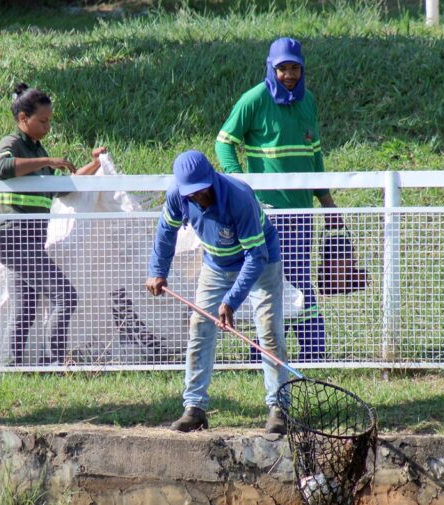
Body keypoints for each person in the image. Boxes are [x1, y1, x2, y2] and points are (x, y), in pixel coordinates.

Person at [216, 37, 351, 362]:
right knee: (283, 279)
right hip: (267, 213)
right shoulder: (255, 99)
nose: (289, 75)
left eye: (294, 68)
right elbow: (223, 143)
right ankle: (305, 351)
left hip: (302, 212)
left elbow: (314, 155)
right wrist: (243, 185)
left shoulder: (308, 102)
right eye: (282, 69)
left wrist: (328, 203)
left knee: (293, 277)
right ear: (270, 68)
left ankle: (270, 352)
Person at [146, 150, 288, 434]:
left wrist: (231, 301)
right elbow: (166, 231)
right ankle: (195, 407)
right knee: (200, 327)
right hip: (215, 263)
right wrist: (158, 271)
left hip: (261, 261)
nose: (198, 197)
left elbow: (255, 257)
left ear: (211, 178)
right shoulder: (177, 196)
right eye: (191, 193)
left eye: (201, 190)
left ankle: (278, 407)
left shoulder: (239, 198)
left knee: (268, 330)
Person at [0, 83, 106, 366]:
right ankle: (53, 362)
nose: (47, 127)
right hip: (14, 241)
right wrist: (48, 160)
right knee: (65, 297)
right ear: (23, 119)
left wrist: (93, 165)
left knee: (26, 308)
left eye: (49, 121)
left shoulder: (36, 150)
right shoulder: (12, 143)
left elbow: (64, 188)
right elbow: (1, 168)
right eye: (42, 121)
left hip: (29, 243)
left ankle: (14, 366)